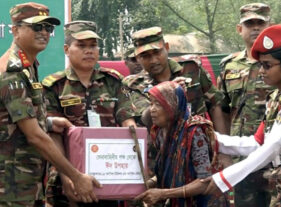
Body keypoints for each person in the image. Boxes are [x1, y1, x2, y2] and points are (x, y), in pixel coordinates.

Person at [137, 24, 281, 207]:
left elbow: (271, 148)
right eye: (260, 65)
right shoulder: (277, 98)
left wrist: (222, 179)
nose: (261, 71)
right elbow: (256, 143)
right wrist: (211, 138)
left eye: (267, 65)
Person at [0, 3, 100, 207]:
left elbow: (13, 121)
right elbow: (34, 136)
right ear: (15, 30)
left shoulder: (28, 67)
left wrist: (49, 122)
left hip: (26, 183)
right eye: (37, 27)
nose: (44, 32)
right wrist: (76, 177)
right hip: (12, 188)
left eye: (48, 28)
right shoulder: (12, 72)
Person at [42, 20, 137, 207]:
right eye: (81, 45)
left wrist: (133, 165)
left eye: (93, 45)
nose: (89, 51)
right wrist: (66, 176)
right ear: (67, 49)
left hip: (108, 174)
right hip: (68, 173)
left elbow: (128, 121)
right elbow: (54, 135)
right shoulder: (54, 86)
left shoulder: (114, 81)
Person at [217, 3, 273, 206]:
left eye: (261, 23)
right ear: (240, 29)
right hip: (243, 158)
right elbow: (221, 110)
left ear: (270, 26)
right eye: (250, 23)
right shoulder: (229, 66)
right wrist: (224, 151)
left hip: (277, 154)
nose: (256, 28)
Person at [123, 26, 227, 134]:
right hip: (161, 147)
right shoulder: (133, 84)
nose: (153, 60)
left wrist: (222, 145)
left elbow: (215, 105)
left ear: (166, 47)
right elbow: (144, 121)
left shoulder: (192, 69)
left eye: (157, 52)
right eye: (145, 56)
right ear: (137, 57)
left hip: (197, 143)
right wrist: (165, 93)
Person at [146, 81, 216, 207]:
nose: (152, 109)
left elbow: (204, 182)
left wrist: (163, 194)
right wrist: (150, 183)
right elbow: (171, 171)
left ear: (173, 105)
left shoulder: (194, 133)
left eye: (158, 104)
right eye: (151, 104)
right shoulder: (161, 133)